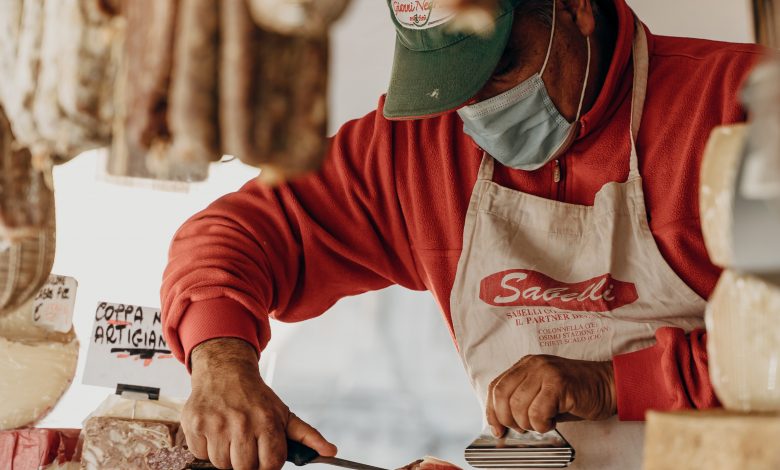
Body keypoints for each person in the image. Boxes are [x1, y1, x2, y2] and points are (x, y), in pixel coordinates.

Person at [161, 0, 764, 469]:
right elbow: (234, 233)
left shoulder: (742, 107)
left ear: (575, 8)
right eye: (453, 85)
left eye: (499, 67)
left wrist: (613, 383)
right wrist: (221, 363)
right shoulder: (422, 147)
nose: (478, 108)